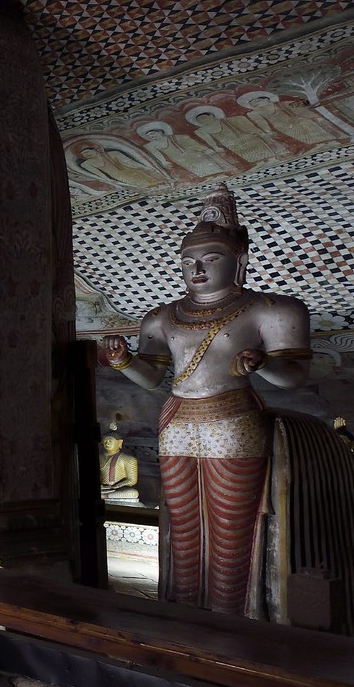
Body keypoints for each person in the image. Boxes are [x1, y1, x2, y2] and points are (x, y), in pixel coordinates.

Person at [101, 184, 311, 617]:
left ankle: (231, 617)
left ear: (240, 261)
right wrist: (124, 362)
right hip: (177, 419)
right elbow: (153, 377)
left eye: (210, 259)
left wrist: (262, 364)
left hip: (232, 419)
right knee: (181, 524)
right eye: (188, 262)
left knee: (232, 526)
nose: (196, 269)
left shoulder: (271, 309)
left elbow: (294, 377)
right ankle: (184, 614)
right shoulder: (162, 317)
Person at [98, 421, 141, 506]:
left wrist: (116, 486)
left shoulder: (128, 459)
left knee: (133, 493)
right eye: (105, 441)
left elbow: (132, 480)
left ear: (120, 442)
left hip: (118, 489)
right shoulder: (98, 458)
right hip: (102, 489)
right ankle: (103, 495)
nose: (107, 443)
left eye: (110, 441)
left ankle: (104, 496)